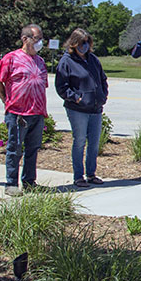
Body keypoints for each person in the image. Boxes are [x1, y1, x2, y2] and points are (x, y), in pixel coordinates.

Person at [0, 24, 49, 196]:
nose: (40, 42)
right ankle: (11, 183)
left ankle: (29, 181)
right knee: (14, 149)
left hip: (37, 113)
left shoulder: (40, 61)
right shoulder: (11, 59)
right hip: (18, 114)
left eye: (41, 39)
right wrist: (6, 101)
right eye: (36, 38)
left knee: (33, 149)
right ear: (25, 39)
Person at [55, 28, 109, 188]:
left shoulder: (93, 59)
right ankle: (78, 176)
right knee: (79, 141)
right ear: (74, 43)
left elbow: (103, 79)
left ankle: (91, 174)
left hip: (95, 107)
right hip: (77, 109)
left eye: (87, 42)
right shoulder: (66, 61)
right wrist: (77, 98)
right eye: (81, 43)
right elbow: (61, 87)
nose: (84, 46)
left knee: (94, 142)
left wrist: (103, 95)